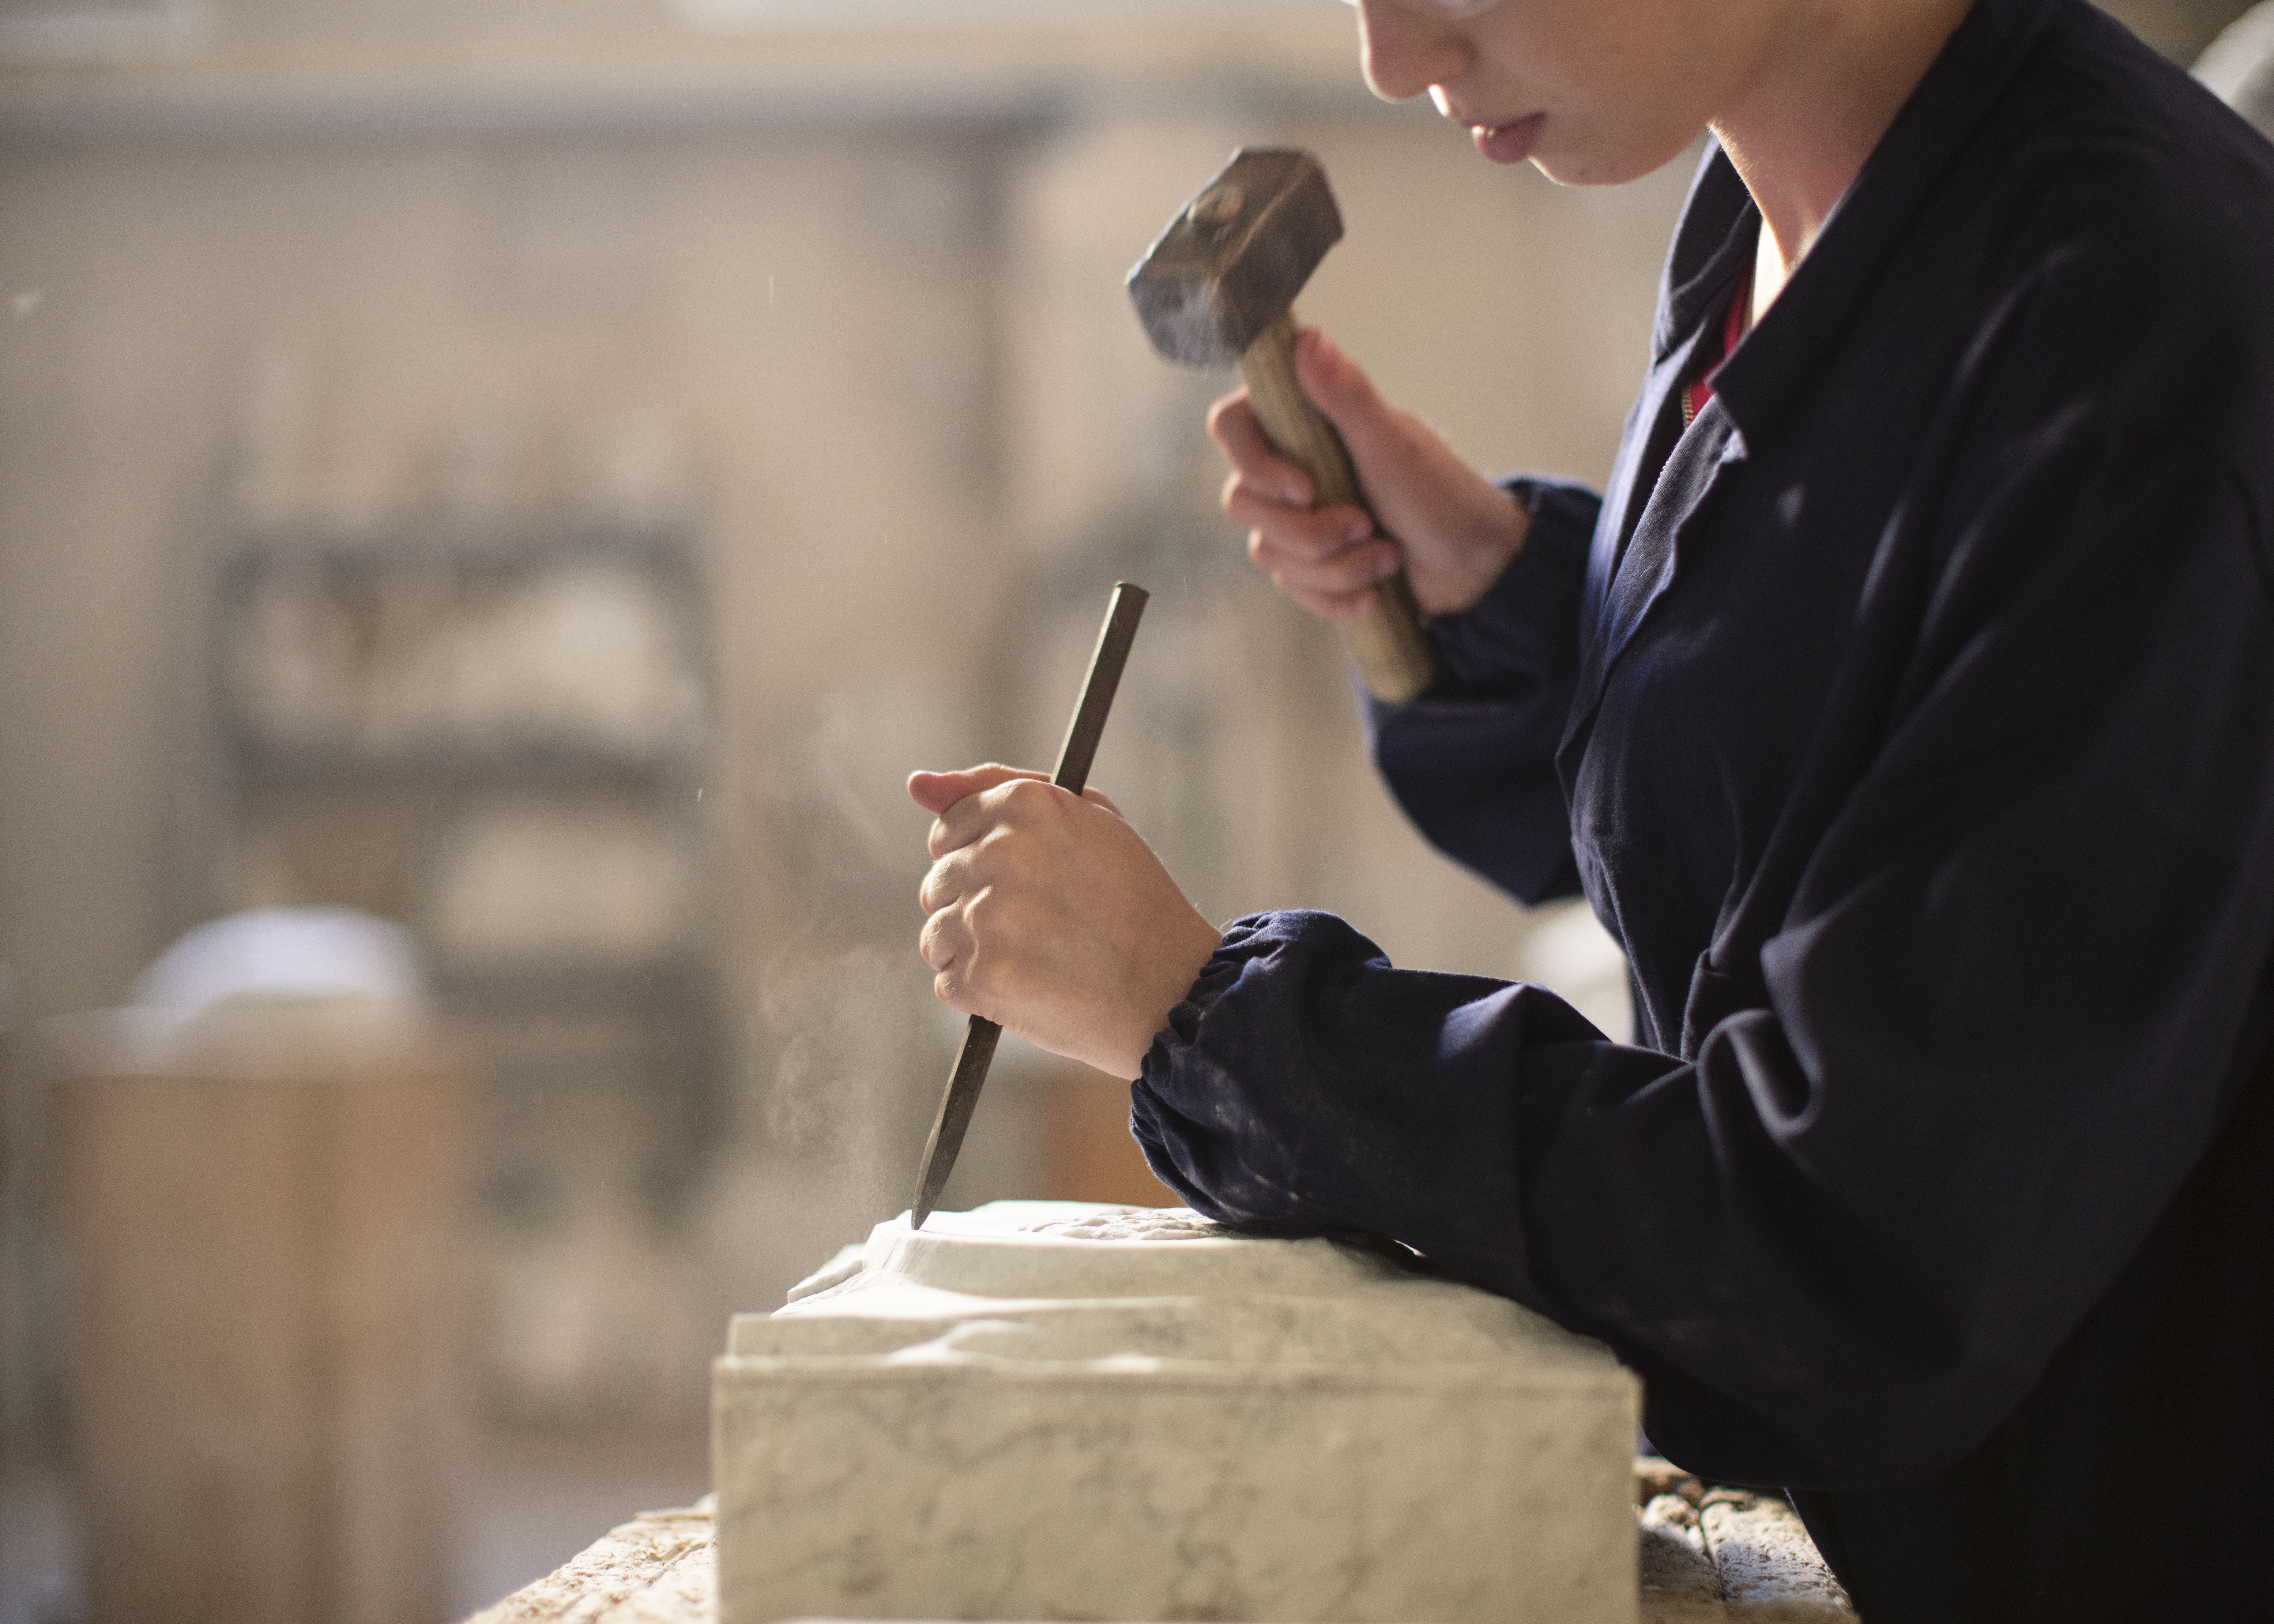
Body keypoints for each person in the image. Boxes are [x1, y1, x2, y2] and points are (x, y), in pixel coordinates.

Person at [909, 0, 2274, 1615]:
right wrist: (1504, 595)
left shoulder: (2129, 338)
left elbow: (1843, 1262)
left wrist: (1213, 1024)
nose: (1391, 56)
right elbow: (1831, 817)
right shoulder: (1776, 205)